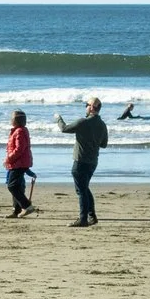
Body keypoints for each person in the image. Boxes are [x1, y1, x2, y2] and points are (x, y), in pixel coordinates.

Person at [54, 97, 110, 227]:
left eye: (86, 105)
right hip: (93, 162)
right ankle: (92, 216)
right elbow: (104, 144)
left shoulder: (83, 122)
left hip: (81, 161)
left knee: (81, 190)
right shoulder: (102, 125)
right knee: (84, 188)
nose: (85, 107)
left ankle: (83, 218)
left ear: (91, 107)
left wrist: (58, 118)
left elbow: (64, 128)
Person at [4, 110, 35, 217]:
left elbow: (19, 149)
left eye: (11, 118)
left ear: (15, 120)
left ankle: (27, 206)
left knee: (12, 186)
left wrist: (8, 159)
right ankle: (16, 210)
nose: (10, 119)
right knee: (16, 186)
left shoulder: (20, 131)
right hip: (18, 163)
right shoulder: (18, 130)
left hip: (19, 163)